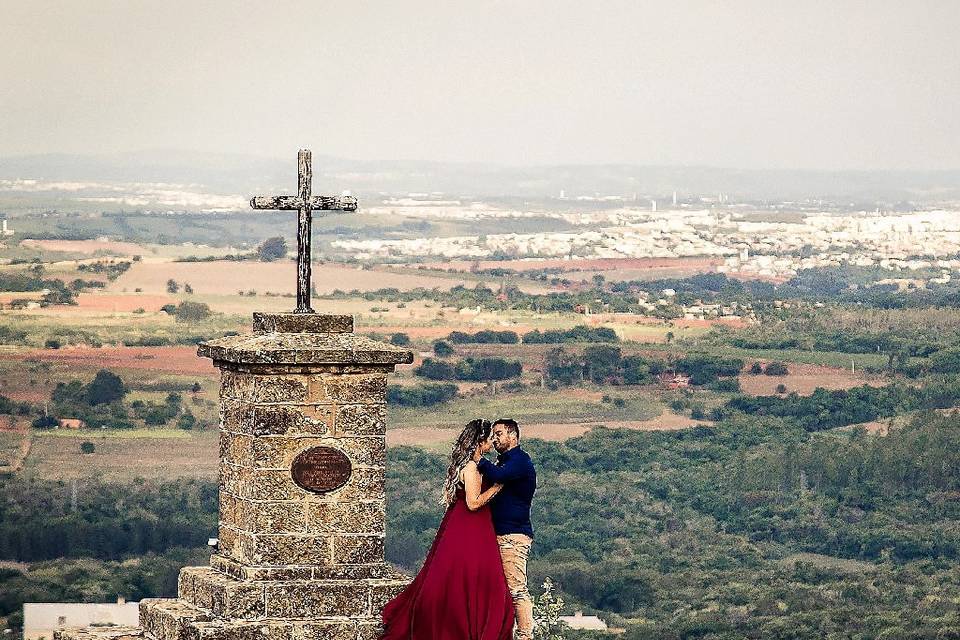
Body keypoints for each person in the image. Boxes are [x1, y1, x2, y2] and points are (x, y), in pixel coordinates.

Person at [380, 419, 515, 640]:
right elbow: (473, 502)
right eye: (490, 438)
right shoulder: (471, 468)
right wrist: (497, 487)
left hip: (466, 524)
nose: (492, 442)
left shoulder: (474, 464)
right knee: (474, 577)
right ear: (480, 442)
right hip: (471, 525)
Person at [475, 418, 537, 640]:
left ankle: (525, 635)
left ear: (513, 435)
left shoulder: (519, 461)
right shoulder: (505, 462)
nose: (495, 438)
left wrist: (478, 460)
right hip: (501, 534)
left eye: (499, 433)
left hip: (513, 535)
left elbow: (499, 477)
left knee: (516, 589)